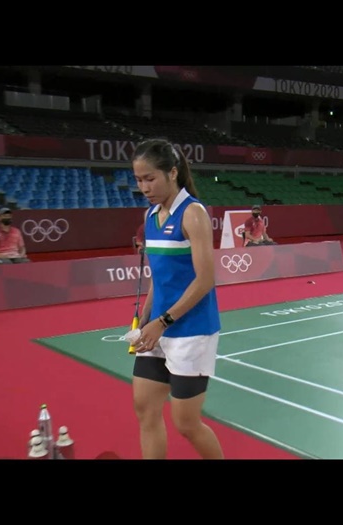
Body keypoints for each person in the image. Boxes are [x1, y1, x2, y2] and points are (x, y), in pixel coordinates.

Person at [129, 138, 224, 460]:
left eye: (150, 178)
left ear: (172, 173)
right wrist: (146, 317)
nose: (144, 187)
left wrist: (163, 320)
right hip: (157, 328)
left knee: (186, 423)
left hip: (191, 331)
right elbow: (159, 277)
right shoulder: (150, 216)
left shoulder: (192, 213)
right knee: (145, 410)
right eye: (139, 180)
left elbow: (205, 279)